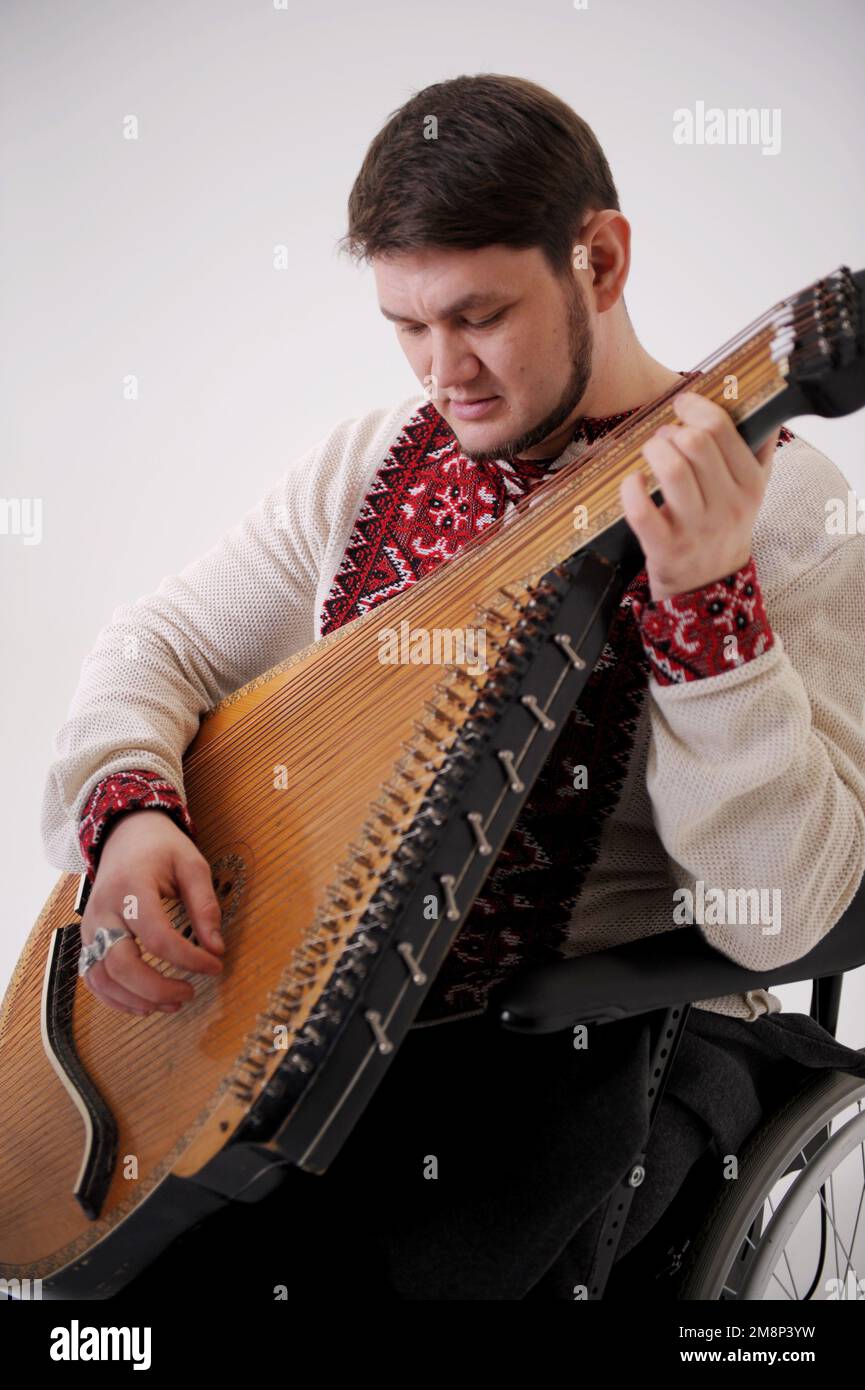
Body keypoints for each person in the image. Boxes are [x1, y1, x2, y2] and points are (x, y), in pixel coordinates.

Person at [40, 73, 865, 1300]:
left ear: (600, 256)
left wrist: (706, 610)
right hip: (299, 1046)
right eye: (406, 326)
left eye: (478, 316)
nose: (444, 370)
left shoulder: (786, 512)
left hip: (570, 1060)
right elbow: (156, 643)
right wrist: (132, 809)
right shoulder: (367, 465)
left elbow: (783, 914)